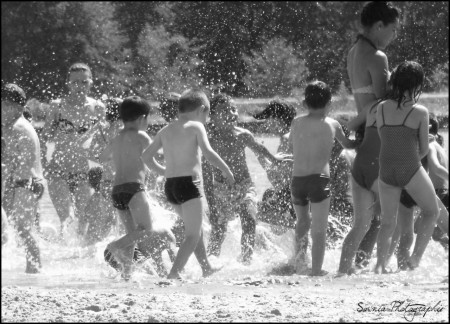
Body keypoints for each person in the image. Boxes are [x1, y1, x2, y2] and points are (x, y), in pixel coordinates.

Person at [142, 89, 235, 279]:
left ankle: (206, 267)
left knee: (195, 229)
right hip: (190, 185)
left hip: (171, 187)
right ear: (202, 109)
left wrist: (164, 172)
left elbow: (146, 157)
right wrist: (226, 170)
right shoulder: (195, 126)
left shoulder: (165, 130)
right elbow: (208, 154)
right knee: (192, 235)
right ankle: (174, 273)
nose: (207, 120)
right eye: (207, 115)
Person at [344, 1, 400, 270]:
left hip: (362, 134)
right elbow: (382, 103)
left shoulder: (354, 50)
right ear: (379, 26)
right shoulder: (378, 57)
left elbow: (365, 102)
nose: (394, 36)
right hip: (377, 134)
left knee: (367, 212)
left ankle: (355, 264)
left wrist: (353, 122)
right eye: (392, 29)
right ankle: (363, 265)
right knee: (383, 210)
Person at [203, 93, 290, 264]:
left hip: (244, 186)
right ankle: (209, 263)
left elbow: (259, 149)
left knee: (249, 220)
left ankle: (246, 261)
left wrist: (274, 160)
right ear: (211, 116)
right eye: (224, 110)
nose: (232, 113)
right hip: (220, 188)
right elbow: (206, 176)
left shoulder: (242, 134)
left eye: (233, 109)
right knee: (219, 230)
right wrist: (212, 205)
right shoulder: (209, 140)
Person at [98, 96, 176, 280]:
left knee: (132, 234)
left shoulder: (116, 138)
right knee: (146, 230)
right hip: (134, 188)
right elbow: (151, 159)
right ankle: (113, 246)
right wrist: (167, 171)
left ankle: (127, 274)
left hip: (117, 191)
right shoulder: (141, 136)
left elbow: (102, 158)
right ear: (142, 118)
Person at [374, 61, 440, 274]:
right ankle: (414, 260)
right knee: (432, 211)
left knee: (387, 223)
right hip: (409, 168)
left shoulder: (381, 108)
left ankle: (379, 266)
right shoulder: (420, 111)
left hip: (385, 170)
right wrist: (427, 141)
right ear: (418, 84)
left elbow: (389, 139)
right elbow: (421, 151)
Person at [289, 81, 358, 276]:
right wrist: (361, 139)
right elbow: (348, 145)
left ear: (304, 103)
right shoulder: (333, 124)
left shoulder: (296, 122)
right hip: (319, 180)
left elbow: (292, 143)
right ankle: (317, 270)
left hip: (297, 180)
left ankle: (300, 264)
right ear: (329, 103)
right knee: (319, 229)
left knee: (302, 222)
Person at [40, 63, 106, 240]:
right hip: (58, 172)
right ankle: (62, 258)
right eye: (75, 82)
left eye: (84, 82)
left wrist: (102, 168)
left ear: (91, 83)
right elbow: (44, 138)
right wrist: (44, 164)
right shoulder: (57, 106)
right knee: (66, 219)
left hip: (84, 173)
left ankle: (79, 260)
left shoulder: (98, 107)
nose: (79, 86)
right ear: (68, 83)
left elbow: (104, 141)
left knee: (83, 222)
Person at [1, 83, 44, 273]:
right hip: (27, 183)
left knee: (23, 229)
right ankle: (31, 271)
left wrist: (15, 186)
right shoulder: (15, 125)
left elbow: (24, 164)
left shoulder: (18, 128)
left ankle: (35, 272)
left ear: (12, 106)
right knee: (19, 229)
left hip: (26, 183)